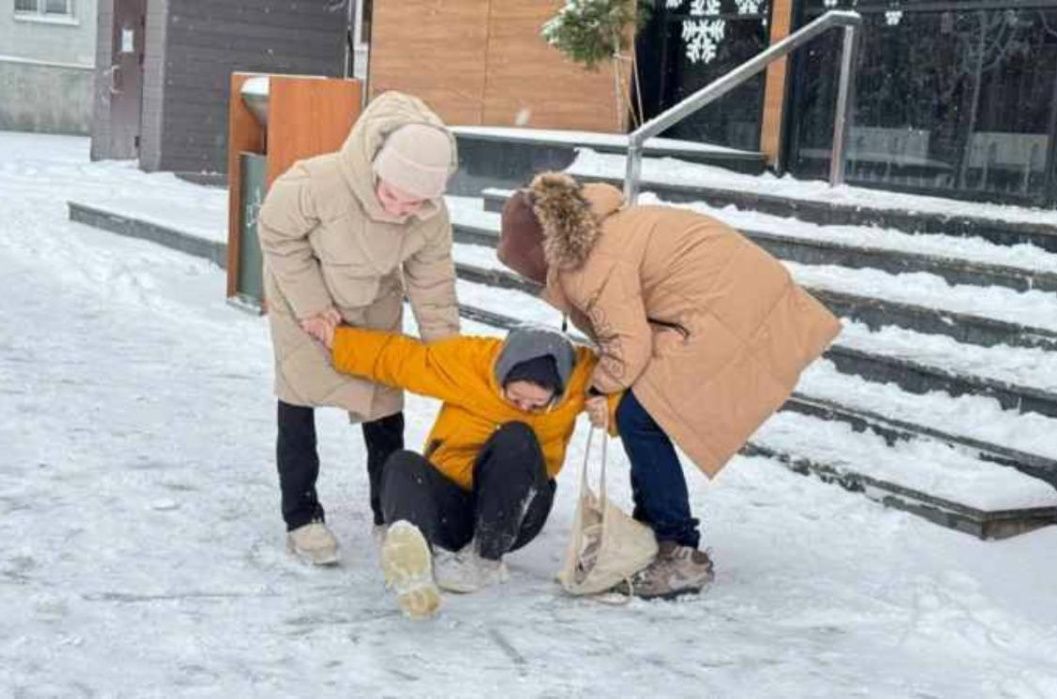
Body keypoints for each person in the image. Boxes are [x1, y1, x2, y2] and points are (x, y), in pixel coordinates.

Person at [497, 172, 841, 599]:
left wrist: (598, 390)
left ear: (541, 255)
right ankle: (654, 529)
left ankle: (678, 550)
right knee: (639, 410)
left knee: (639, 416)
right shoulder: (596, 231)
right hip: (730, 302)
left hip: (727, 315)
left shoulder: (589, 263)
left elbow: (628, 345)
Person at [256, 92, 461, 565]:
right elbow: (275, 232)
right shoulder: (318, 181)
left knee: (384, 407)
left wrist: (448, 357)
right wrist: (311, 304)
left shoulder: (430, 217)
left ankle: (390, 515)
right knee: (298, 399)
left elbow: (432, 283)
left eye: (413, 204)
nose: (398, 209)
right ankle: (302, 517)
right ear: (377, 168)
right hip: (305, 299)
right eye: (391, 195)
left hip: (373, 301)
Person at [303, 320, 614, 619]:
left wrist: (608, 405)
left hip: (517, 514)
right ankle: (413, 562)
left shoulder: (584, 376)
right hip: (452, 509)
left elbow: (632, 394)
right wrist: (338, 341)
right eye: (516, 398)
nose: (525, 408)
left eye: (538, 406)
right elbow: (404, 359)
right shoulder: (470, 362)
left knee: (517, 435)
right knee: (401, 463)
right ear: (502, 373)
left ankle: (485, 560)